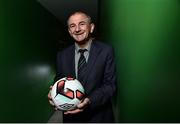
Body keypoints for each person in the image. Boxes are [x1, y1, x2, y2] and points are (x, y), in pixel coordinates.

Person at [48, 10, 117, 123]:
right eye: (72, 26)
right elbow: (59, 79)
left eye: (82, 24)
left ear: (91, 27)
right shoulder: (62, 55)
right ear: (70, 31)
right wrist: (54, 91)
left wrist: (89, 101)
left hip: (99, 117)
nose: (77, 29)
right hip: (71, 118)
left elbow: (110, 85)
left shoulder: (106, 51)